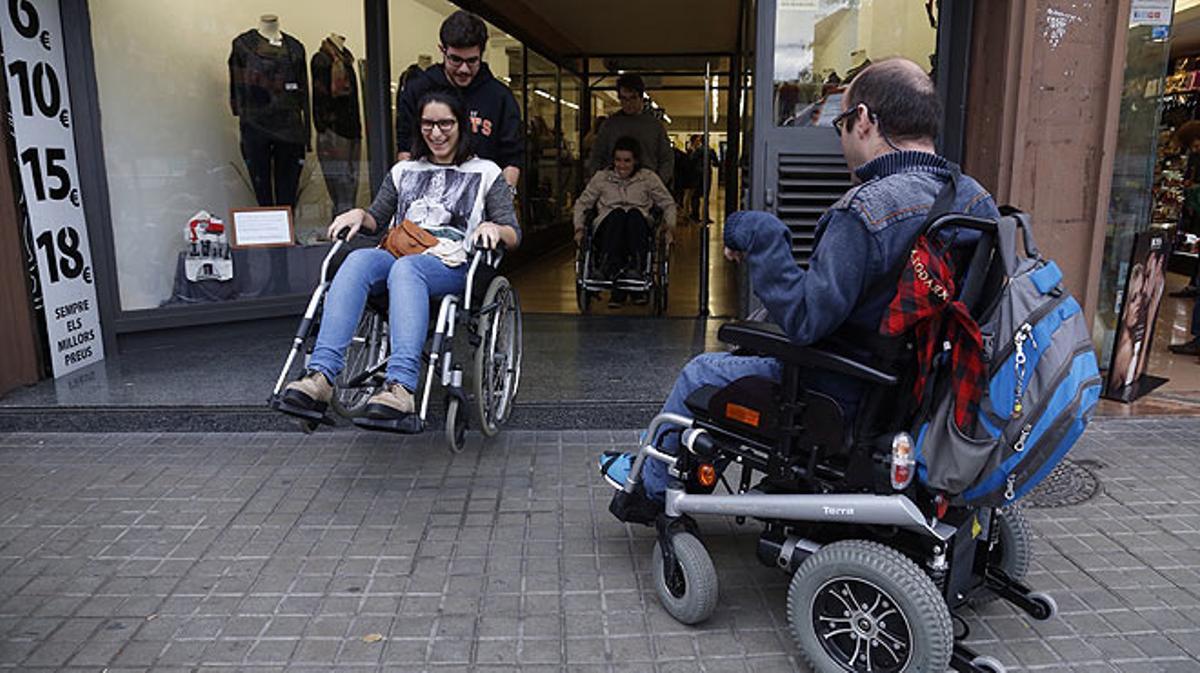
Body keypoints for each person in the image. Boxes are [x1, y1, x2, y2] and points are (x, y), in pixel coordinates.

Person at [597, 58, 1001, 523]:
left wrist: (764, 237)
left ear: (866, 120)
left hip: (840, 391)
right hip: (917, 392)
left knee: (702, 372)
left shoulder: (867, 208)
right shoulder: (973, 198)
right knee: (740, 359)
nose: (843, 140)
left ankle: (649, 493)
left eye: (842, 126)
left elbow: (808, 321)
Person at [282, 90, 520, 420]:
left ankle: (401, 388)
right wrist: (358, 215)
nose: (436, 133)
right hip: (398, 253)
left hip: (450, 263)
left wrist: (494, 228)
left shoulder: (487, 172)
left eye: (445, 124)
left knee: (407, 269)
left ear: (462, 125)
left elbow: (513, 232)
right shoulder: (404, 171)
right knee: (357, 260)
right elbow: (377, 218)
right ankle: (321, 376)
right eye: (428, 124)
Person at [394, 10, 522, 189]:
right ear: (442, 50)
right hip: (427, 199)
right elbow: (406, 150)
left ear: (481, 54)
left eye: (471, 61)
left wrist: (504, 204)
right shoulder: (418, 90)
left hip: (484, 201)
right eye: (455, 59)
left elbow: (512, 158)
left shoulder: (500, 97)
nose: (464, 69)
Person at [575, 136, 677, 308]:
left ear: (635, 161)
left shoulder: (648, 178)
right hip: (608, 226)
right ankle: (608, 265)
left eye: (627, 161)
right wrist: (578, 227)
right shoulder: (602, 178)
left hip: (638, 226)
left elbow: (668, 203)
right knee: (619, 214)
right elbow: (582, 203)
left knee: (632, 214)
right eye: (618, 160)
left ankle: (636, 267)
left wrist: (670, 228)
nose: (621, 165)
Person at [588, 74, 674, 188]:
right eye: (624, 98)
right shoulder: (609, 125)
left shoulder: (655, 126)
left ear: (641, 97)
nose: (628, 103)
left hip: (647, 190)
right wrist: (602, 185)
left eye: (633, 98)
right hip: (614, 191)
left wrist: (657, 185)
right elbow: (596, 157)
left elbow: (666, 159)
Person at [686, 135, 718, 223]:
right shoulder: (711, 151)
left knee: (695, 196)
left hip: (698, 175)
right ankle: (706, 217)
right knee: (706, 197)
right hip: (707, 174)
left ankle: (695, 216)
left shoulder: (698, 151)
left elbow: (691, 160)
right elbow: (716, 163)